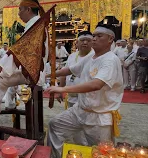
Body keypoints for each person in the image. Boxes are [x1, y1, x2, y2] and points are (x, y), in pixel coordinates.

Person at [45, 24, 123, 158]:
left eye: (99, 36)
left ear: (110, 39)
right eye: (94, 35)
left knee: (103, 152)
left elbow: (96, 84)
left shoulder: (110, 60)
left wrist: (63, 88)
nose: (94, 39)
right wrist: (46, 75)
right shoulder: (91, 57)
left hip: (99, 116)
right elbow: (70, 69)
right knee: (55, 126)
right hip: (79, 110)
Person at [0, 0, 48, 133]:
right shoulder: (35, 24)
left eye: (20, 9)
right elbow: (21, 49)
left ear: (28, 9)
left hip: (33, 74)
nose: (19, 13)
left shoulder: (36, 25)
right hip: (30, 71)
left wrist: (1, 66)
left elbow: (20, 49)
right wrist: (2, 67)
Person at [59, 31, 94, 108]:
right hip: (72, 97)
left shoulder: (96, 57)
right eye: (82, 40)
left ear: (92, 43)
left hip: (88, 99)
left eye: (88, 40)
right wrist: (60, 90)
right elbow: (64, 74)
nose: (85, 42)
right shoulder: (72, 56)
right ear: (77, 43)